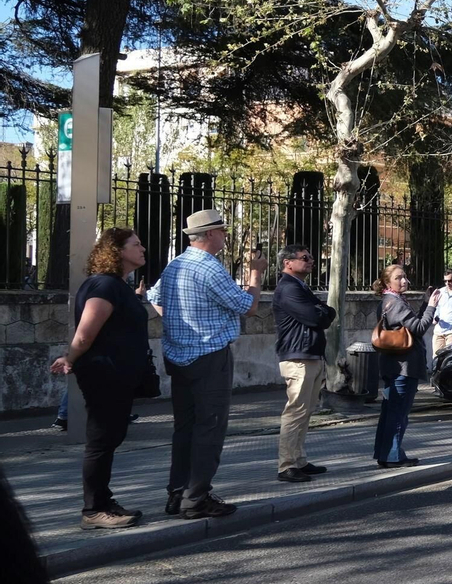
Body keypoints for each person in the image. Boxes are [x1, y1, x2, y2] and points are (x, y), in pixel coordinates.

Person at [152, 209, 267, 519]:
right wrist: (255, 274)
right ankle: (196, 497)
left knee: (184, 427)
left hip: (178, 355)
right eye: (222, 231)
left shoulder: (175, 264)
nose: (225, 236)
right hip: (209, 355)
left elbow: (153, 296)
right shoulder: (209, 268)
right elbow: (249, 307)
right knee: (210, 427)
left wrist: (180, 323)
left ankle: (178, 493)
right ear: (211, 234)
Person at [49, 228, 150, 530]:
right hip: (105, 373)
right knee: (101, 441)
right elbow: (85, 332)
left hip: (118, 373)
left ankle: (103, 501)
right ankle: (93, 510)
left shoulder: (116, 285)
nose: (142, 248)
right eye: (136, 244)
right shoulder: (104, 285)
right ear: (117, 251)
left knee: (109, 439)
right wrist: (70, 357)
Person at [272, 244, 334, 483]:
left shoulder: (301, 286)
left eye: (311, 257)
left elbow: (327, 312)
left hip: (311, 355)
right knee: (295, 412)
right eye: (305, 258)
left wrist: (323, 312)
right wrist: (323, 313)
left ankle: (298, 460)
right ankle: (286, 465)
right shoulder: (287, 288)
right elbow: (316, 316)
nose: (311, 261)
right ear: (288, 262)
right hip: (298, 357)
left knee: (305, 412)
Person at [373, 264, 441, 467]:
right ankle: (392, 456)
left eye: (405, 277)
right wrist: (431, 307)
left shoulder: (389, 301)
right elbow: (419, 328)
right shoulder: (395, 303)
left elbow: (410, 325)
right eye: (398, 278)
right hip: (402, 366)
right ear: (387, 282)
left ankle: (385, 454)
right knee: (398, 413)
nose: (404, 281)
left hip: (394, 365)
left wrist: (424, 304)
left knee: (391, 411)